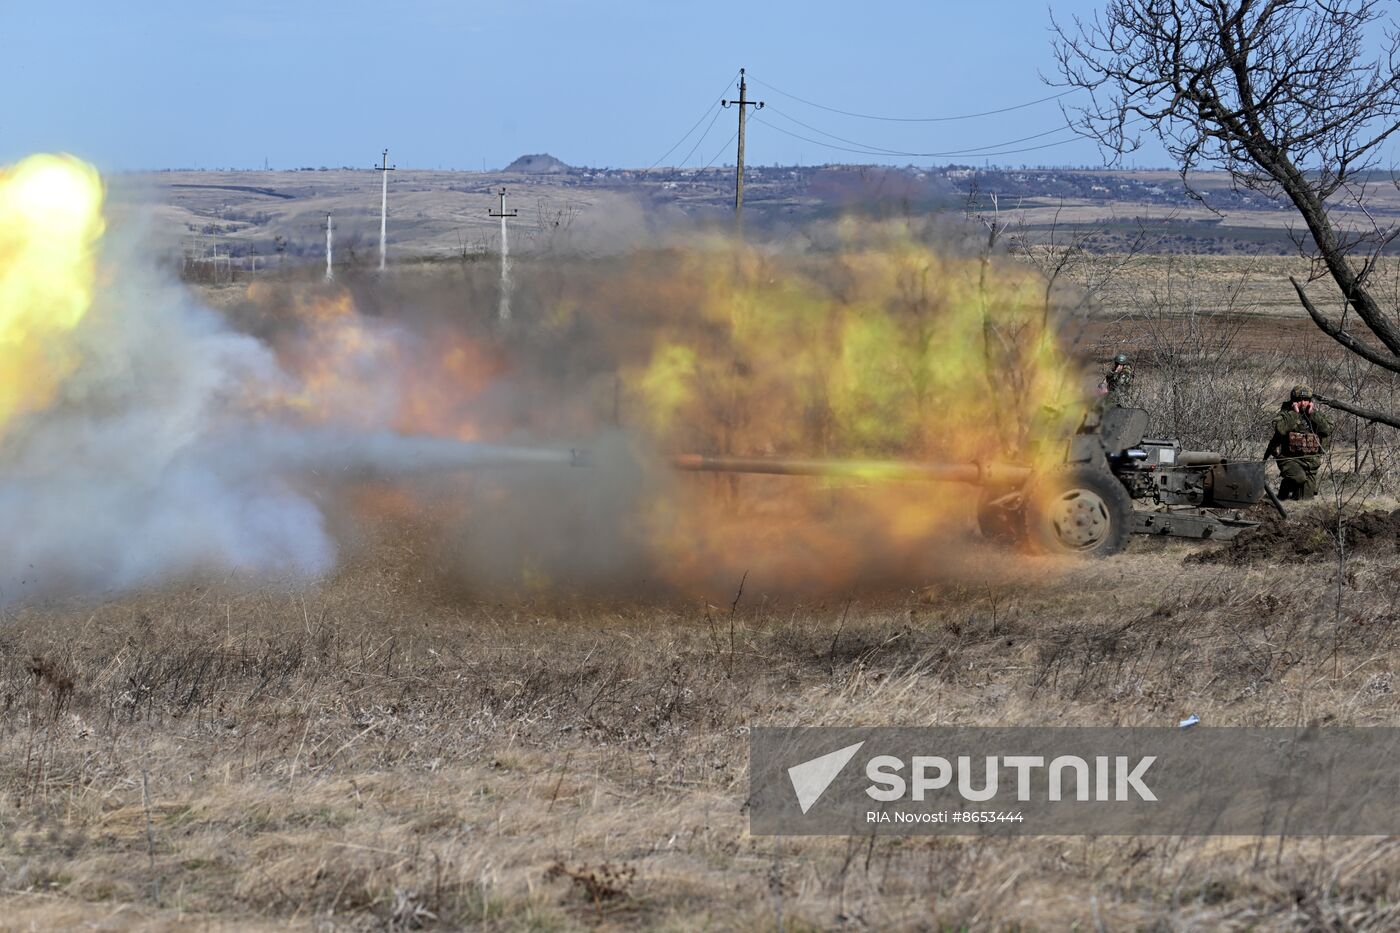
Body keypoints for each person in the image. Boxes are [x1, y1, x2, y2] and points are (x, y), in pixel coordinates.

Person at [1266, 384, 1333, 500]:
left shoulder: (1314, 414)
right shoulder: (1285, 414)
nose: (1303, 403)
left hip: (1310, 462)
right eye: (1300, 400)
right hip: (1288, 458)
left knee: (1305, 499)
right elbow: (1280, 429)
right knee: (1298, 477)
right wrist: (1294, 413)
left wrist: (1312, 414)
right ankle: (1286, 487)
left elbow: (1327, 430)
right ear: (1293, 401)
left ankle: (1288, 495)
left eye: (1306, 400)